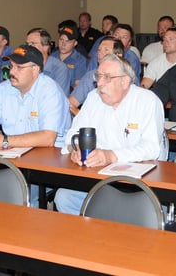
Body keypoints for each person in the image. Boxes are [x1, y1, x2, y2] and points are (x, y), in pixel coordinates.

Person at [54, 54, 165, 215]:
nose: (99, 83)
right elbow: (73, 133)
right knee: (64, 198)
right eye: (98, 76)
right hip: (96, 176)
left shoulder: (147, 101)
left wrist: (111, 156)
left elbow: (151, 148)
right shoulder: (93, 98)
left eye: (107, 78)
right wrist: (74, 150)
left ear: (125, 81)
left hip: (137, 181)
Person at [0, 44, 70, 206]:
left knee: (16, 200)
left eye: (19, 68)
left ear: (35, 70)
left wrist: (4, 141)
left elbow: (48, 138)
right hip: (11, 161)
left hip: (48, 164)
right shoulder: (3, 90)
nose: (11, 72)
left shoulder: (49, 90)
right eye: (11, 66)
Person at [70, 37, 125, 115]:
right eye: (99, 50)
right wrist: (82, 117)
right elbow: (71, 102)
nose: (100, 53)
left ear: (118, 55)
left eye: (106, 50)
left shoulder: (127, 78)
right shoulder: (91, 76)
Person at [26, 27, 70, 95]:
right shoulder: (24, 65)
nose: (28, 48)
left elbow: (59, 99)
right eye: (27, 44)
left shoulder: (60, 69)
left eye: (32, 44)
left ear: (45, 47)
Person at [50, 26, 87, 91]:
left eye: (68, 41)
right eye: (61, 39)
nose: (63, 44)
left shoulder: (80, 60)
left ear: (75, 43)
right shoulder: (52, 57)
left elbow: (78, 87)